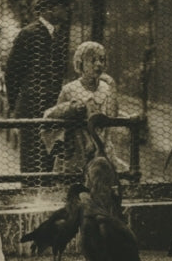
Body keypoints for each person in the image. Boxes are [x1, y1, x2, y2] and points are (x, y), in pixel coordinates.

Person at [5, 0, 69, 176]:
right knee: (32, 161)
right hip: (32, 108)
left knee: (49, 158)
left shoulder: (58, 36)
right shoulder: (29, 34)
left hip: (51, 109)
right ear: (49, 9)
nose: (65, 10)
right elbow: (12, 72)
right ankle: (28, 198)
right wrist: (15, 105)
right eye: (61, 6)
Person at [42, 41, 119, 174]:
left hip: (102, 149)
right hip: (76, 151)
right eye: (92, 60)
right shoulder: (69, 89)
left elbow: (112, 116)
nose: (98, 64)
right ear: (80, 63)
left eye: (102, 60)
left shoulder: (107, 88)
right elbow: (55, 118)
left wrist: (112, 87)